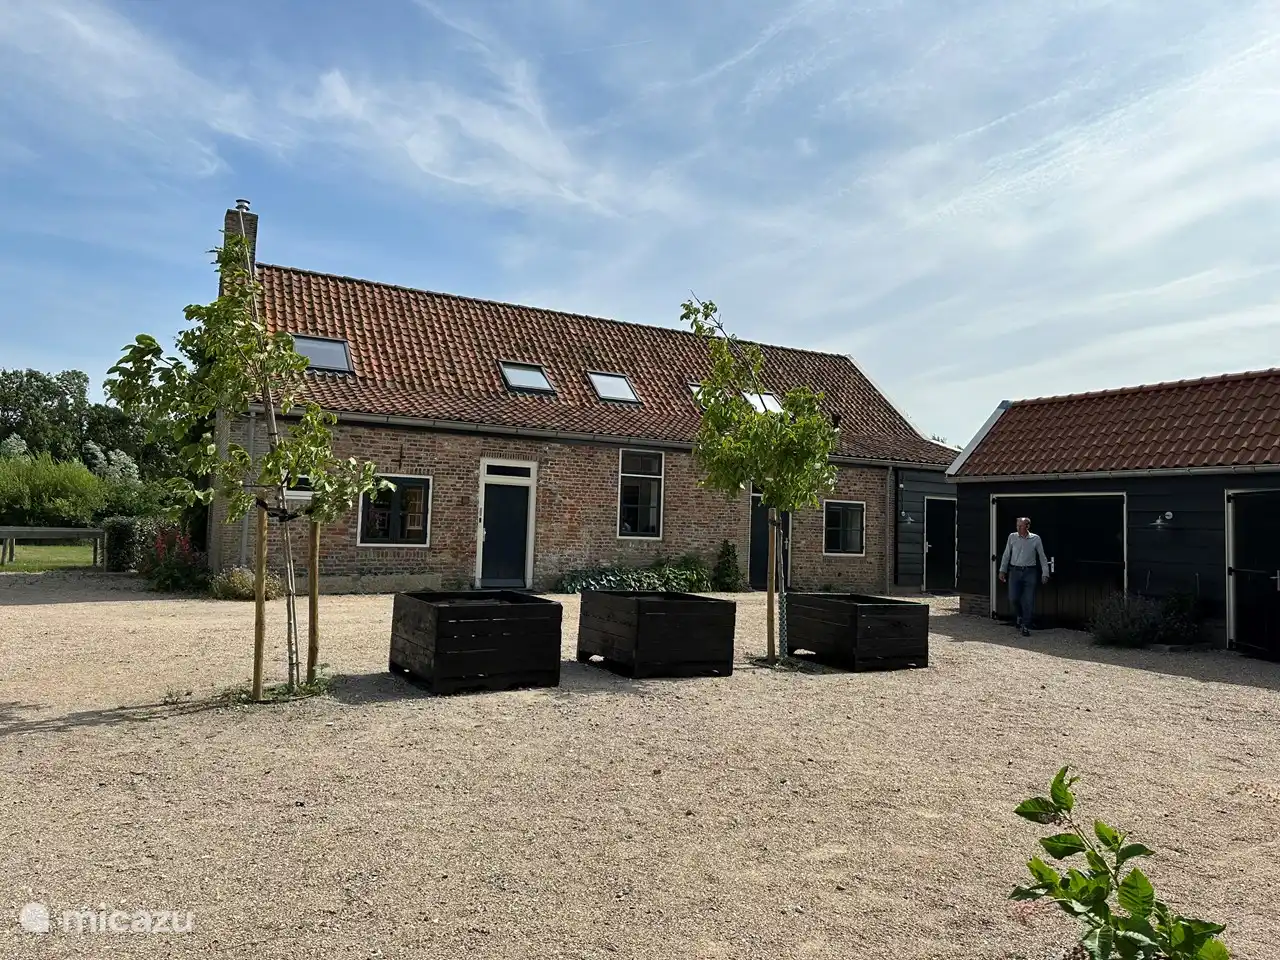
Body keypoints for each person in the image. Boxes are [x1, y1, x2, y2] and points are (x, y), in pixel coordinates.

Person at [998, 516, 1050, 636]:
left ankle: (1026, 625)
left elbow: (1042, 557)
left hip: (1029, 572)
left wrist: (1045, 573)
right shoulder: (1012, 537)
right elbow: (1006, 554)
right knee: (1013, 597)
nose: (1019, 528)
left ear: (1027, 526)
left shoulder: (1035, 539)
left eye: (1021, 526)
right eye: (1018, 526)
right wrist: (1002, 570)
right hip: (1014, 571)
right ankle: (1020, 616)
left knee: (1028, 600)